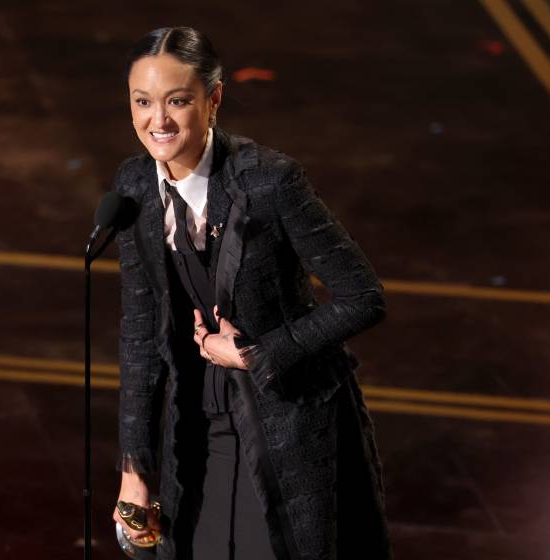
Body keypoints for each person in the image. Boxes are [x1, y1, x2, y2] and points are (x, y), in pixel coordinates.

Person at [110, 26, 392, 560]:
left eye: (178, 101)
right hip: (196, 430)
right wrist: (134, 468)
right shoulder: (135, 189)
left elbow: (363, 296)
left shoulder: (270, 182)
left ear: (213, 99)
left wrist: (256, 352)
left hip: (286, 426)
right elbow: (141, 336)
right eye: (143, 102)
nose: (158, 121)